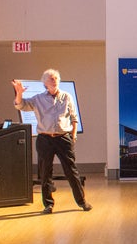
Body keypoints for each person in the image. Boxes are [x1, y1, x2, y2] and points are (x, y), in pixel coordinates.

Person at [12, 69, 92, 214]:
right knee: (45, 172)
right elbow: (20, 105)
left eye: (56, 78)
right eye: (51, 78)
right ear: (45, 83)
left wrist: (73, 135)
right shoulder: (38, 99)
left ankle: (82, 201)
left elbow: (74, 117)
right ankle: (48, 204)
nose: (54, 80)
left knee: (71, 171)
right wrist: (19, 93)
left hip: (63, 138)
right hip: (45, 139)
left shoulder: (67, 97)